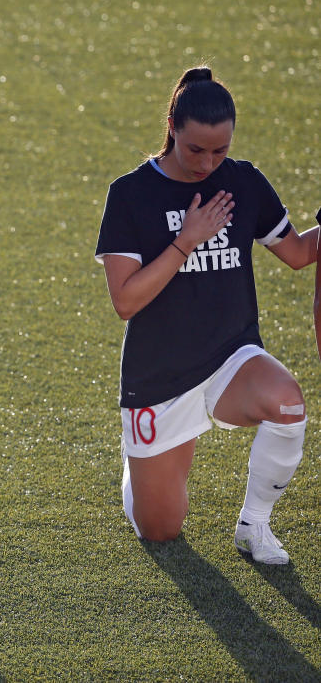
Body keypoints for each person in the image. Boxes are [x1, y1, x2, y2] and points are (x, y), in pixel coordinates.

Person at [96, 67, 318, 563]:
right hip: (159, 375)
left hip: (230, 357)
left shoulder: (243, 182)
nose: (208, 162)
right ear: (172, 124)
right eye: (196, 149)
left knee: (287, 405)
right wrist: (186, 240)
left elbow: (300, 253)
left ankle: (254, 526)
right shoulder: (130, 194)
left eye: (220, 150)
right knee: (161, 530)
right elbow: (125, 301)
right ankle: (138, 467)